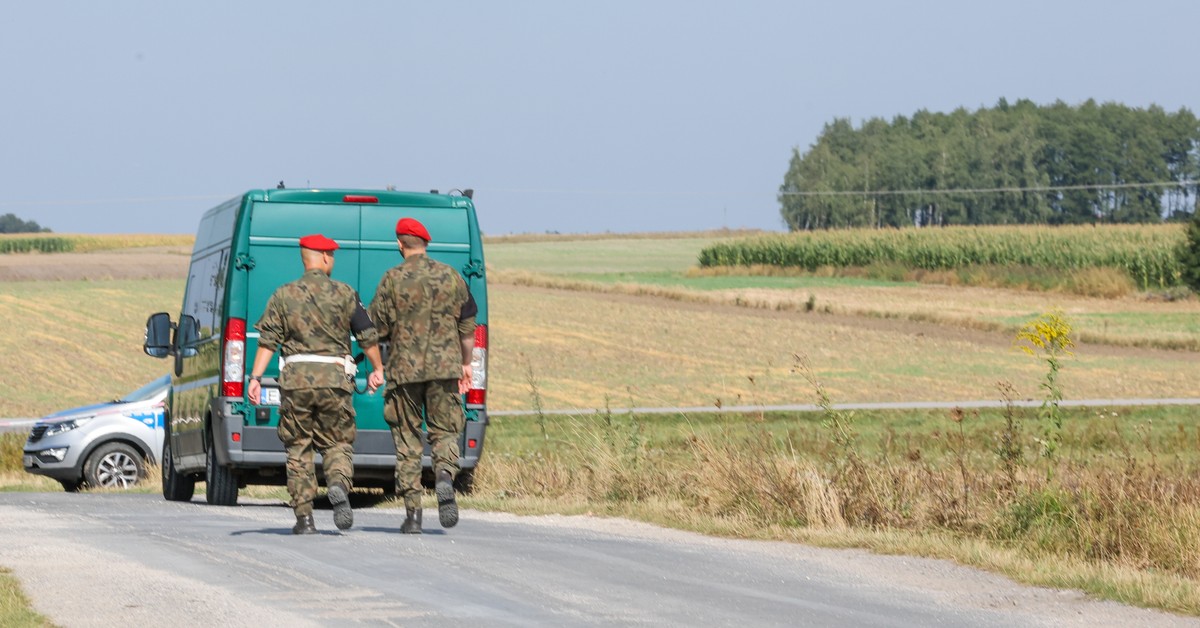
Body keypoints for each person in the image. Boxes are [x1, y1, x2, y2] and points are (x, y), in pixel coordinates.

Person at [247, 234, 385, 535]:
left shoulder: (283, 294)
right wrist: (377, 368)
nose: (332, 259)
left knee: (298, 448)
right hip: (334, 381)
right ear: (324, 257)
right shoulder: (345, 293)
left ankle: (304, 519)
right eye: (331, 255)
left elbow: (268, 341)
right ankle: (337, 484)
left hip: (295, 383)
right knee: (337, 442)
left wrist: (255, 378)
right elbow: (366, 335)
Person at [369, 217, 476, 534]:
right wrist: (466, 363)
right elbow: (468, 326)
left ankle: (413, 515)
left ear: (400, 244)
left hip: (404, 371)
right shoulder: (451, 276)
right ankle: (444, 475)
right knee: (445, 432)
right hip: (445, 369)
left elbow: (376, 326)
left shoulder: (392, 279)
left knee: (407, 439)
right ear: (425, 244)